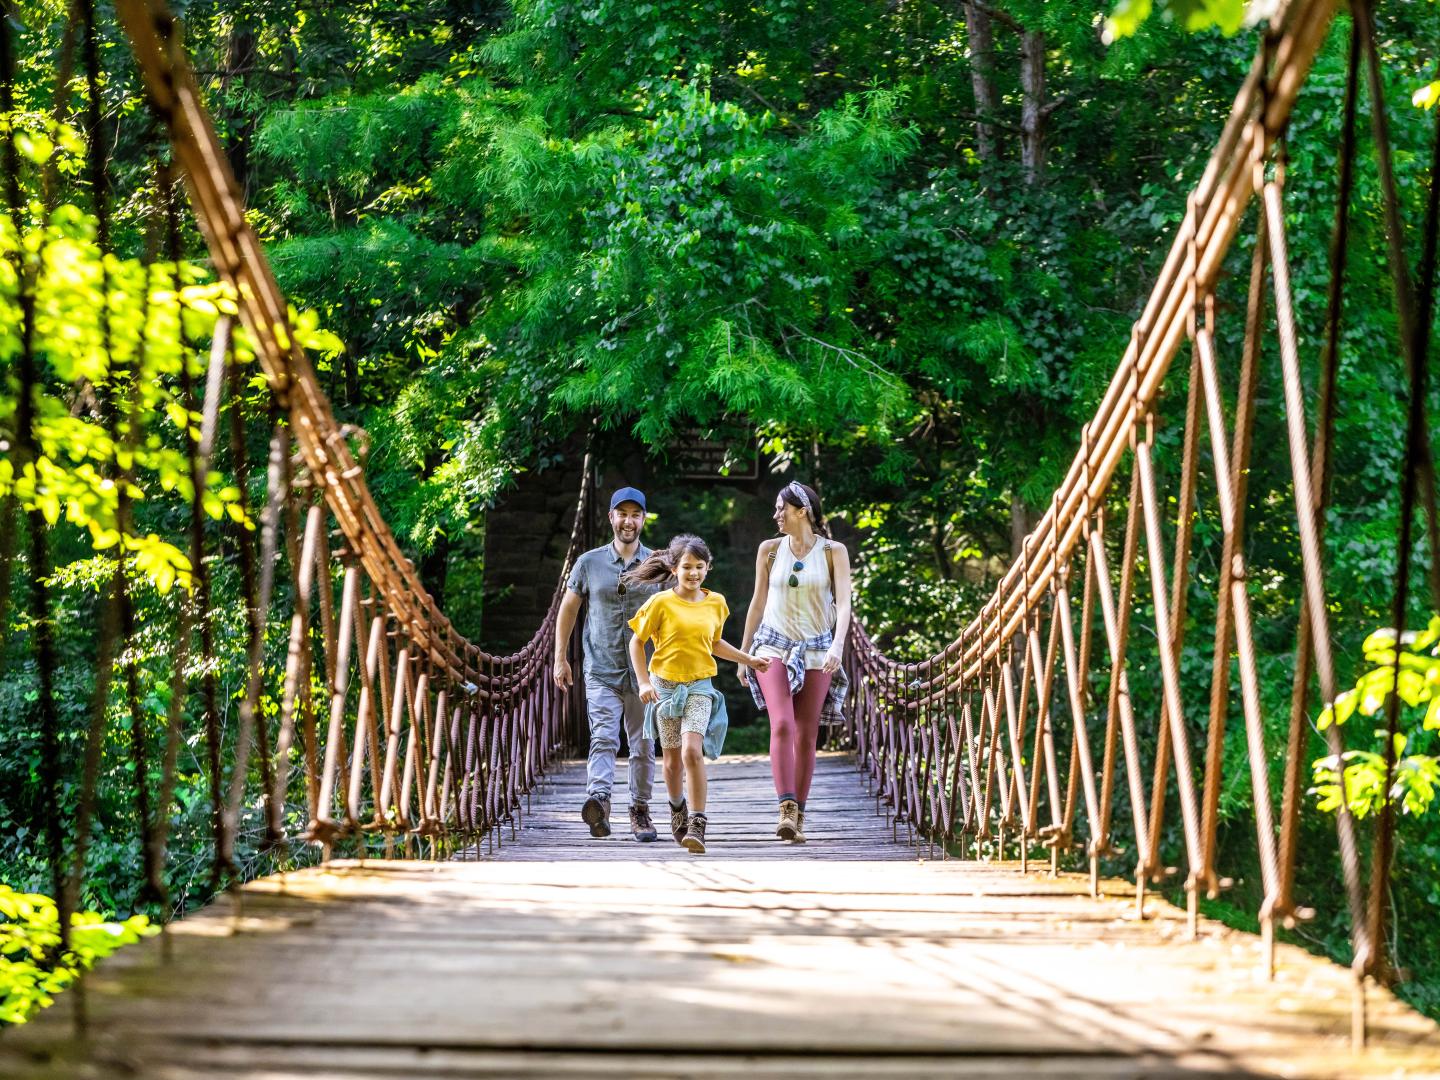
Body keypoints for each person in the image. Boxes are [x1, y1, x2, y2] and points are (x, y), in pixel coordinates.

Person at [623, 535, 772, 855]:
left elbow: (714, 644)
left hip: (700, 688)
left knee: (692, 751)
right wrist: (643, 682)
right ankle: (677, 807)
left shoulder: (716, 602)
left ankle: (698, 821)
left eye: (700, 567)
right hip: (663, 689)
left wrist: (749, 660)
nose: (693, 573)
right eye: (687, 567)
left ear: (708, 568)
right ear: (674, 568)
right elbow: (637, 642)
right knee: (673, 759)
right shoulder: (660, 603)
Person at [739, 481, 852, 843]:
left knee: (807, 733)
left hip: (819, 649)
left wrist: (837, 647)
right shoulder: (769, 550)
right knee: (783, 724)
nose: (775, 516)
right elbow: (757, 603)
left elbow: (845, 604)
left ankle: (798, 815)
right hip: (772, 646)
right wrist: (743, 655)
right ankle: (785, 807)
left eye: (781, 509)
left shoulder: (834, 551)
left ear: (801, 511)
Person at [553, 486, 662, 841]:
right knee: (603, 737)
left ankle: (640, 811)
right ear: (611, 517)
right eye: (622, 514)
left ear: (643, 519)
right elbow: (568, 609)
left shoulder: (659, 566)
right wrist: (560, 658)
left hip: (645, 673)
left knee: (643, 744)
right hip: (601, 668)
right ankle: (599, 802)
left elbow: (678, 611)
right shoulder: (588, 562)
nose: (628, 521)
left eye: (636, 514)